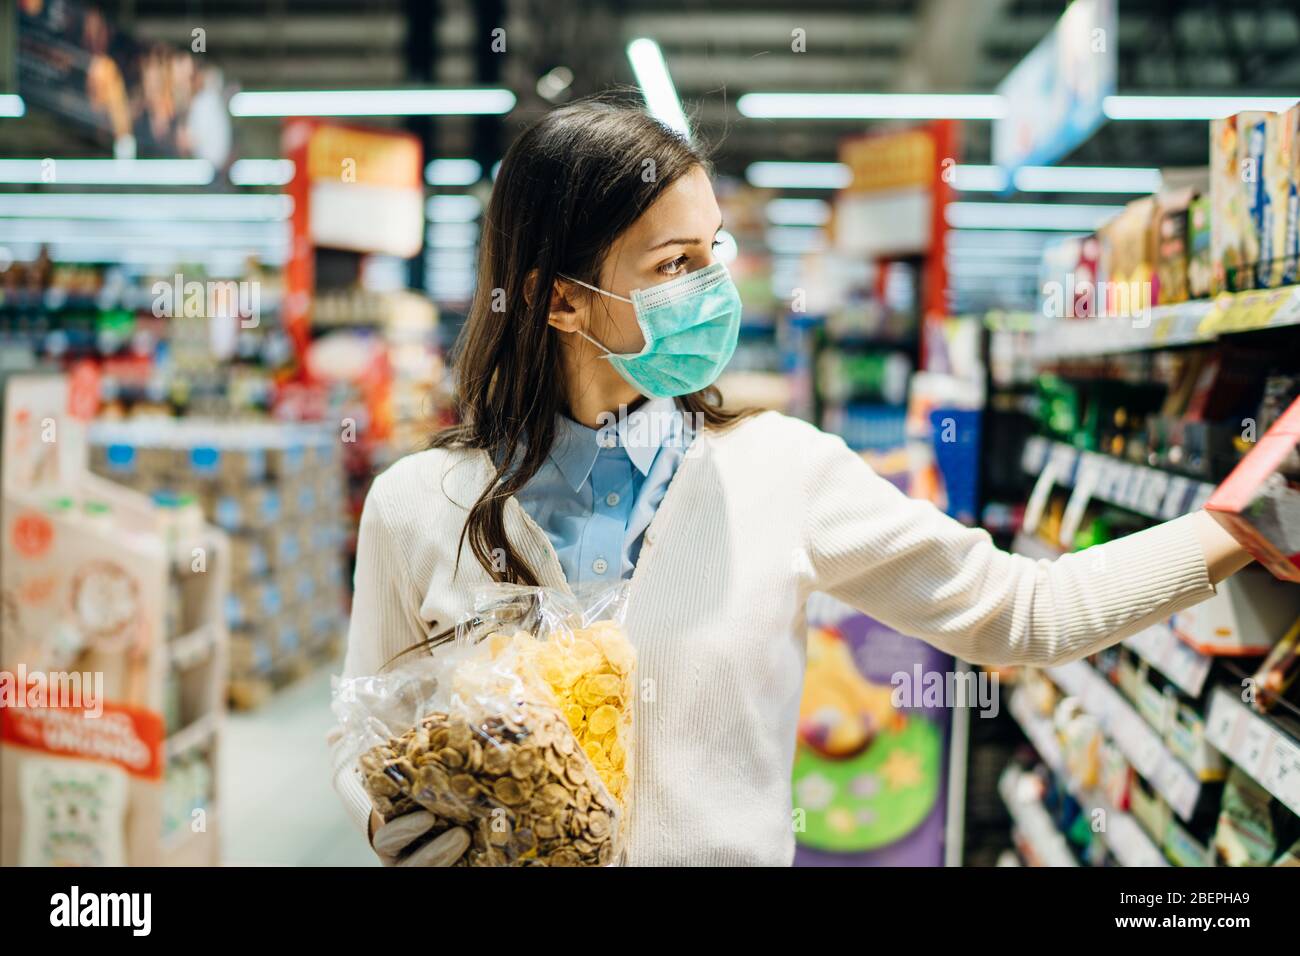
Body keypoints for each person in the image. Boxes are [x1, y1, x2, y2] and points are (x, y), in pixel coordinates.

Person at [330, 99, 1252, 866]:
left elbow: (1024, 613)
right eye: (674, 265)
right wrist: (388, 818)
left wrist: (1233, 525)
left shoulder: (784, 473)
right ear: (557, 298)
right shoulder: (419, 506)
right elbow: (363, 731)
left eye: (713, 250)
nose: (716, 289)